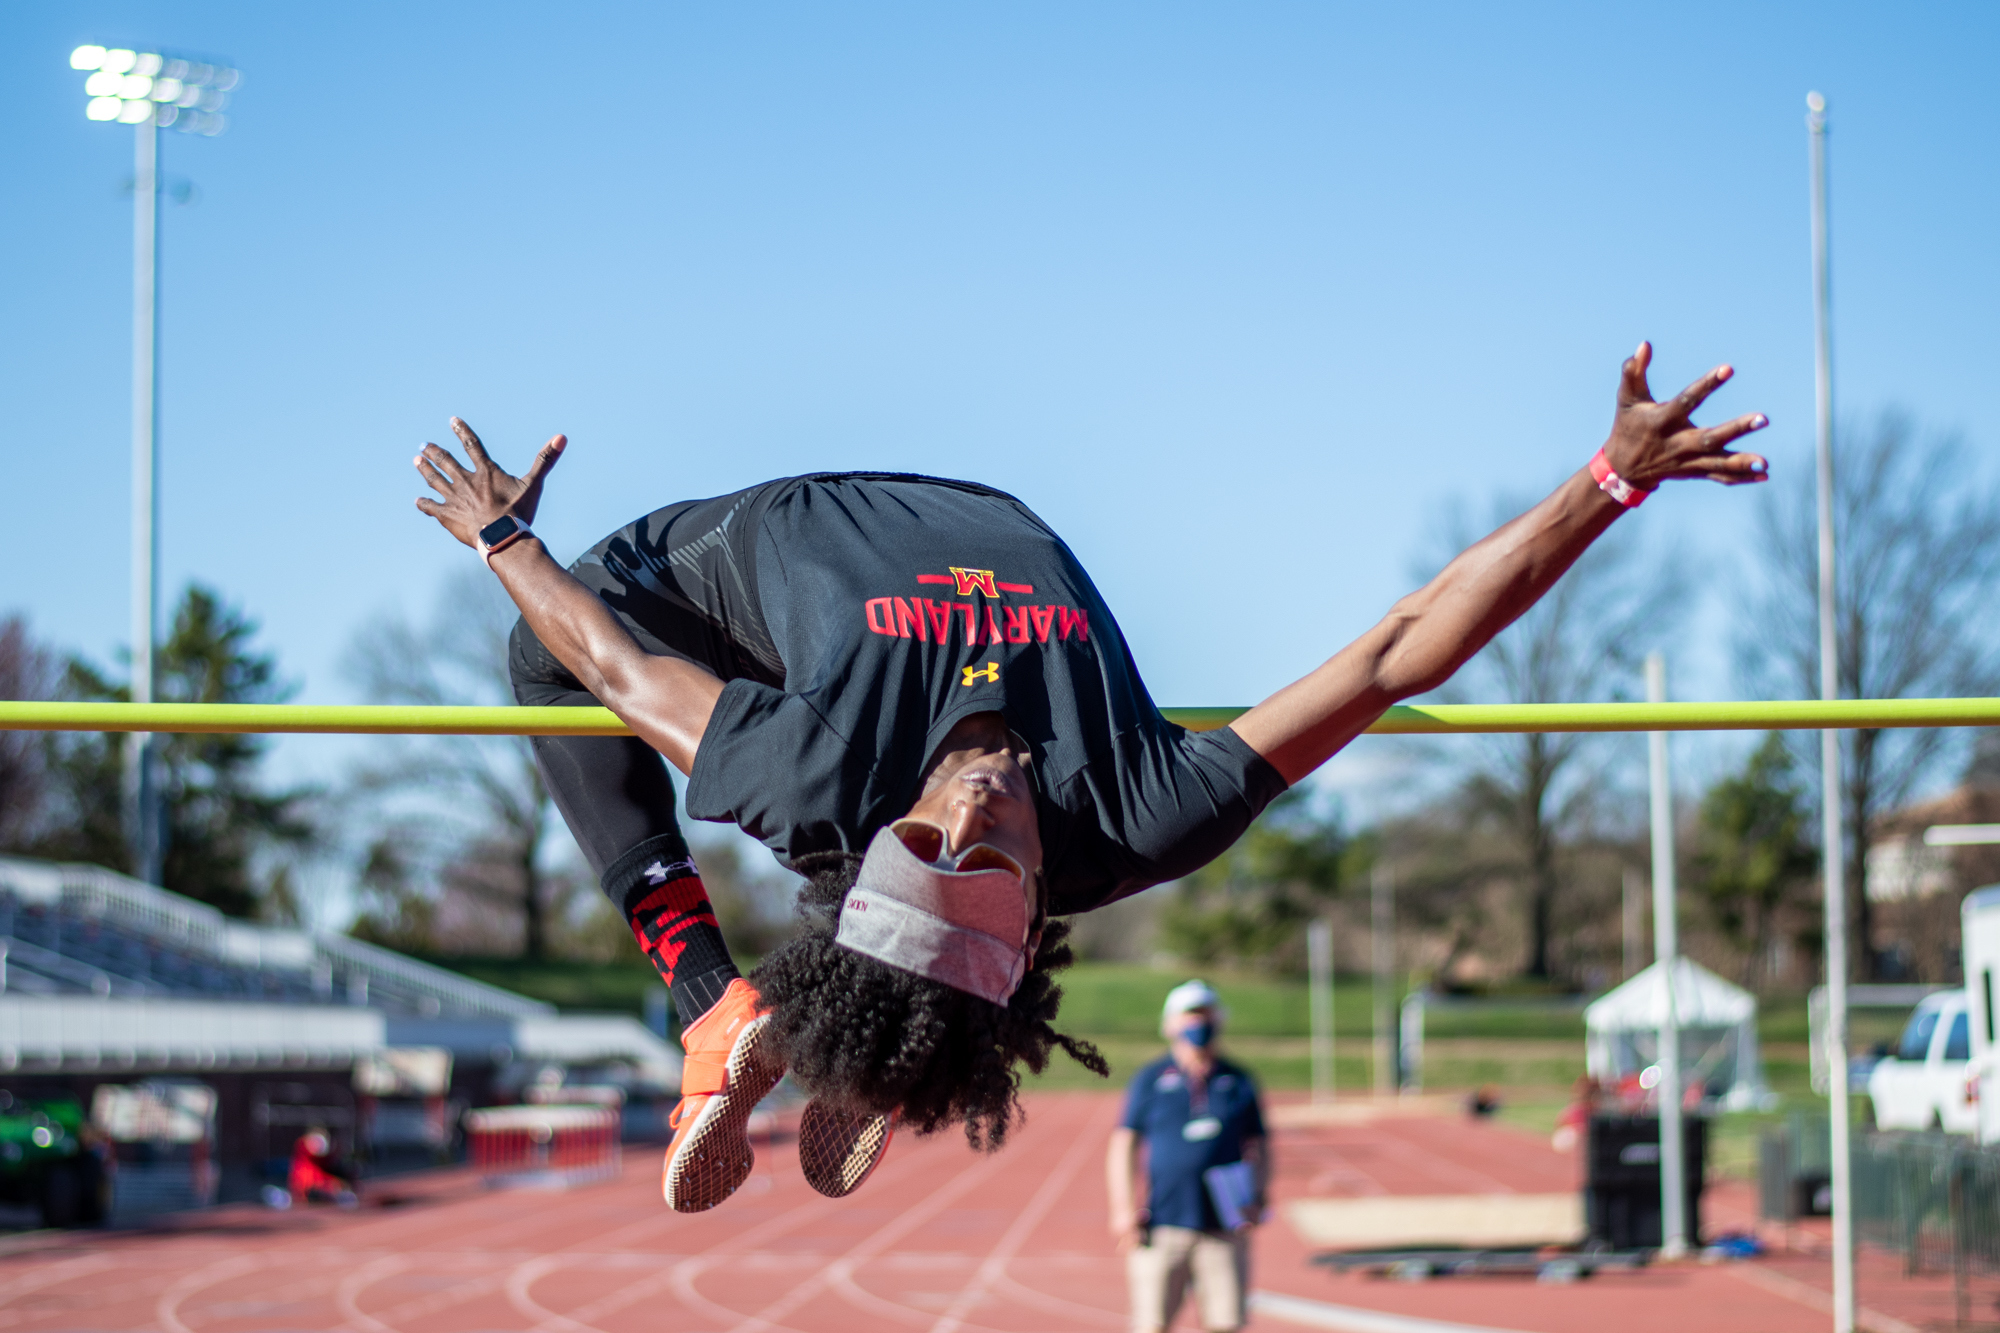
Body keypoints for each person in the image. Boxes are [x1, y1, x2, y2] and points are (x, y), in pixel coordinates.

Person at [410, 343, 1767, 1213]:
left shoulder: (826, 774)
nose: (975, 811)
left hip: (760, 541)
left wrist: (508, 541)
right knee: (873, 890)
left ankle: (715, 1003)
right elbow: (1400, 650)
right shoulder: (1134, 812)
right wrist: (1607, 484)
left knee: (540, 652)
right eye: (990, 856)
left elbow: (611, 663)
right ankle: (804, 1025)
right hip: (980, 517)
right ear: (1043, 898)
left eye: (931, 843)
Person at [1107, 981, 1267, 1333]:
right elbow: (1124, 1143)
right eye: (1190, 1016)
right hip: (1162, 1225)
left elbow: (1259, 1142)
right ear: (1170, 1025)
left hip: (1223, 1228)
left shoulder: (1238, 1079)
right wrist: (1122, 1209)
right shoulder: (1150, 1079)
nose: (1199, 1024)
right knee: (1152, 1324)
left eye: (1206, 1015)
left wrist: (1258, 1195)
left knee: (1226, 1323)